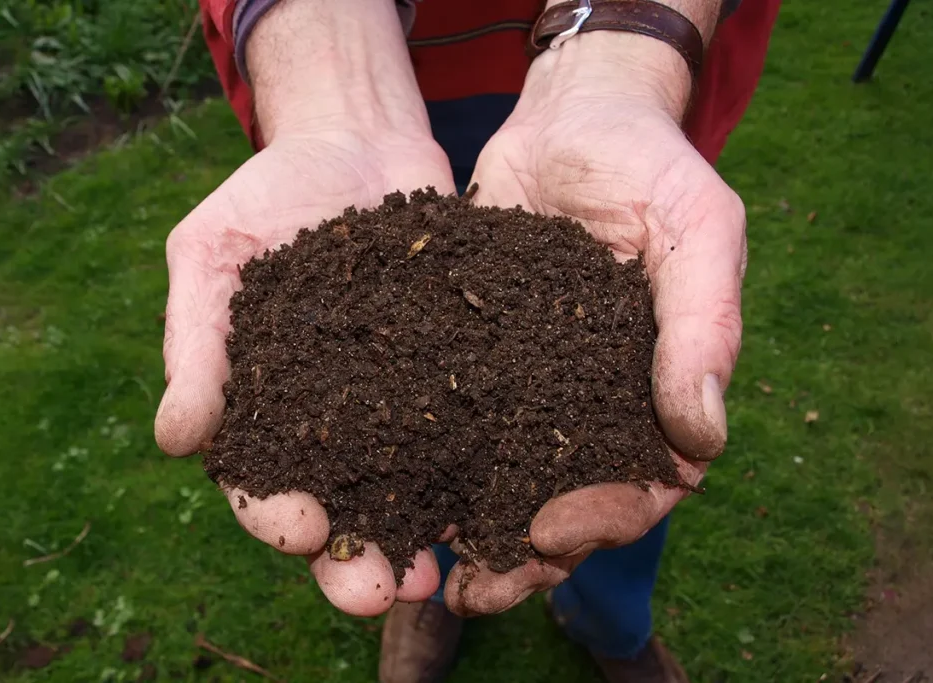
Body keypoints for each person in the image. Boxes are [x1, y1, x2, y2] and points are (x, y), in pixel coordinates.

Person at [154, 1, 779, 680]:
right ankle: (427, 575)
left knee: (627, 455)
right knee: (433, 481)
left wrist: (624, 52)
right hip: (394, 63)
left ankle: (612, 624)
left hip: (627, 67)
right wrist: (330, 68)